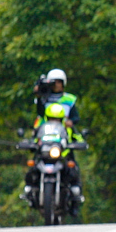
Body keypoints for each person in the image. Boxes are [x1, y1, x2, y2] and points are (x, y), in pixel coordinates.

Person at [25, 69, 84, 215]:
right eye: (54, 82)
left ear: (63, 83)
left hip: (63, 139)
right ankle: (30, 190)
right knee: (33, 163)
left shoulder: (69, 99)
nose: (56, 85)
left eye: (59, 82)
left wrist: (71, 122)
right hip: (45, 137)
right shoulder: (44, 98)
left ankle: (75, 199)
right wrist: (38, 95)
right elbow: (39, 112)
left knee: (73, 167)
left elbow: (76, 117)